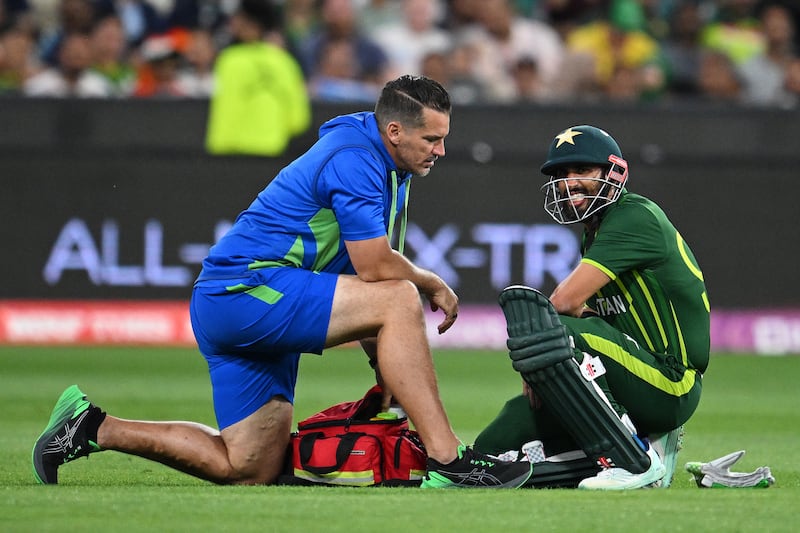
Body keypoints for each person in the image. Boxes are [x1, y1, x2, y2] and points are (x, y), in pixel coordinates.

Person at [32, 74, 533, 490]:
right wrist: (429, 281)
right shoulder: (355, 159)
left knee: (248, 468)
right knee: (401, 292)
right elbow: (379, 272)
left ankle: (91, 426)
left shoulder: (386, 163)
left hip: (242, 299)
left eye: (444, 138)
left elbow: (357, 281)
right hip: (248, 291)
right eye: (432, 139)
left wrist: (390, 378)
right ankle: (450, 462)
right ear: (396, 130)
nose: (442, 150)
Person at [474, 124, 709, 490]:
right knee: (495, 443)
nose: (570, 183)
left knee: (549, 328)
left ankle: (635, 458)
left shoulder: (636, 216)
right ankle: (646, 446)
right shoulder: (595, 232)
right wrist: (543, 363)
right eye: (563, 175)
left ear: (613, 172)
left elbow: (563, 303)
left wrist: (538, 357)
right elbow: (594, 318)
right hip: (628, 375)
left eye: (582, 171)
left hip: (670, 381)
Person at [205, 0, 310, 156]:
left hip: (227, 155)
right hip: (271, 153)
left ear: (249, 22)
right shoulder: (285, 62)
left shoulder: (228, 60)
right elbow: (298, 121)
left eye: (237, 17)